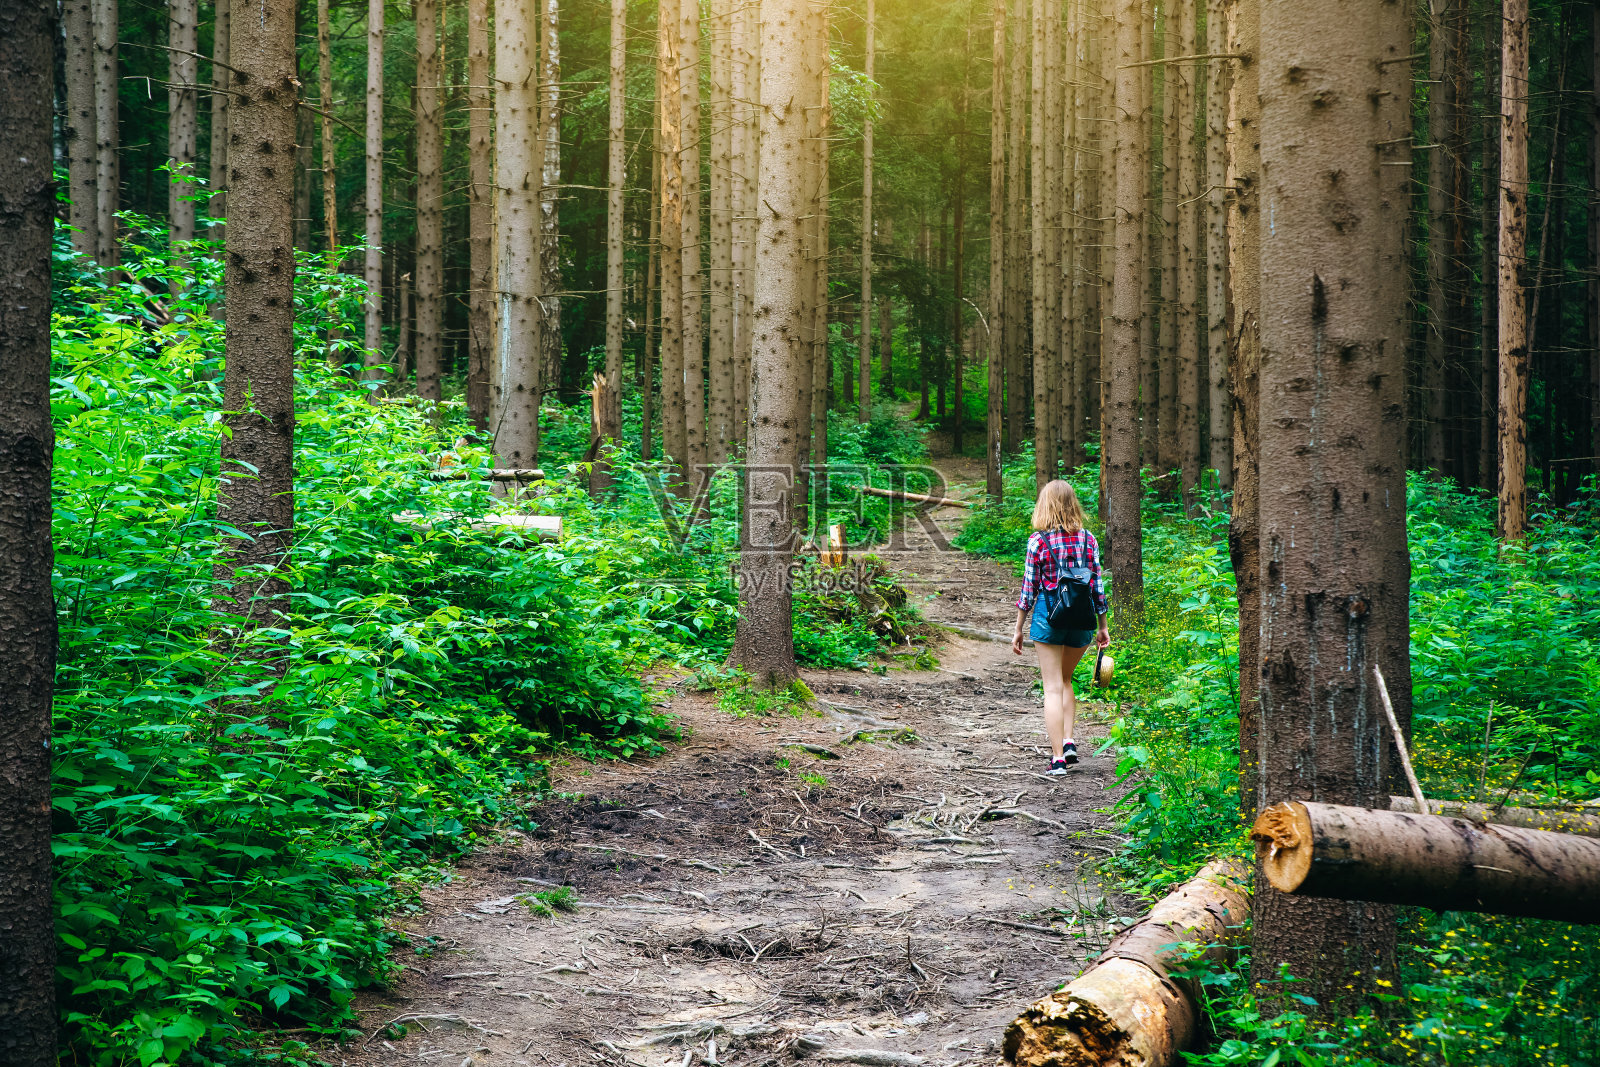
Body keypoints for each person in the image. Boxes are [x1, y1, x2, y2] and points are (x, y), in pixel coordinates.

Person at [1010, 479, 1110, 775]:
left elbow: (1029, 590)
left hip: (1049, 619)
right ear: (1072, 504)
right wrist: (1102, 625)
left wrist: (1018, 628)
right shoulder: (1088, 539)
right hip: (1082, 620)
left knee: (1052, 687)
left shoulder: (1038, 541)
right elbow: (1097, 585)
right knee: (1066, 681)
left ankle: (1057, 759)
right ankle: (1069, 741)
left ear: (1045, 505)